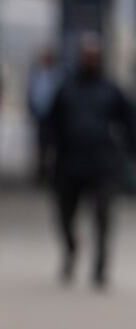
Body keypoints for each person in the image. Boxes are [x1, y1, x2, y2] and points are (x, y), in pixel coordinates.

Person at [46, 32, 135, 288]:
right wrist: (47, 152)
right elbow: (50, 123)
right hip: (70, 162)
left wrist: (128, 150)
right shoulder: (66, 88)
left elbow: (129, 122)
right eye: (87, 55)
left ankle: (100, 267)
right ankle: (71, 251)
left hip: (102, 162)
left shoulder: (111, 89)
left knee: (103, 215)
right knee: (64, 216)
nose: (91, 60)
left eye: (94, 56)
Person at [27, 47, 63, 184]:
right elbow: (32, 93)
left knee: (52, 145)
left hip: (54, 116)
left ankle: (51, 173)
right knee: (41, 145)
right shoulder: (37, 73)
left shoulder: (57, 74)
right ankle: (41, 173)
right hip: (41, 114)